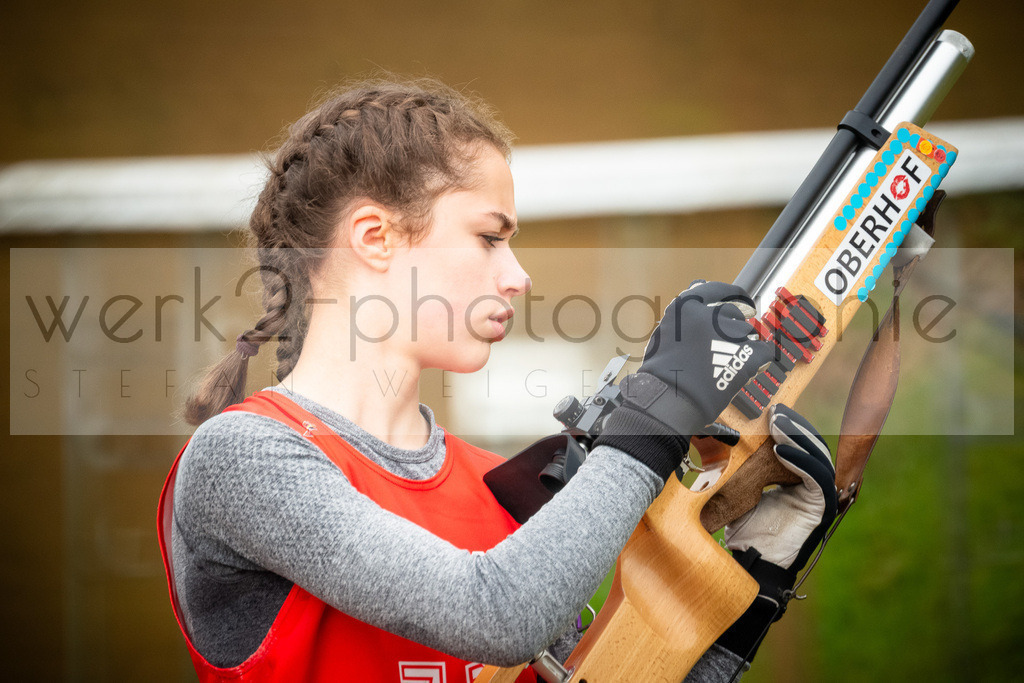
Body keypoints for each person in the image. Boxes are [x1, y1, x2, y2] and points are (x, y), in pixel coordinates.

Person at [157, 79, 837, 682]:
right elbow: (497, 613)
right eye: (489, 237)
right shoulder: (243, 457)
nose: (518, 276)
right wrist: (660, 407)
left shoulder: (495, 491)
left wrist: (755, 581)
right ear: (373, 236)